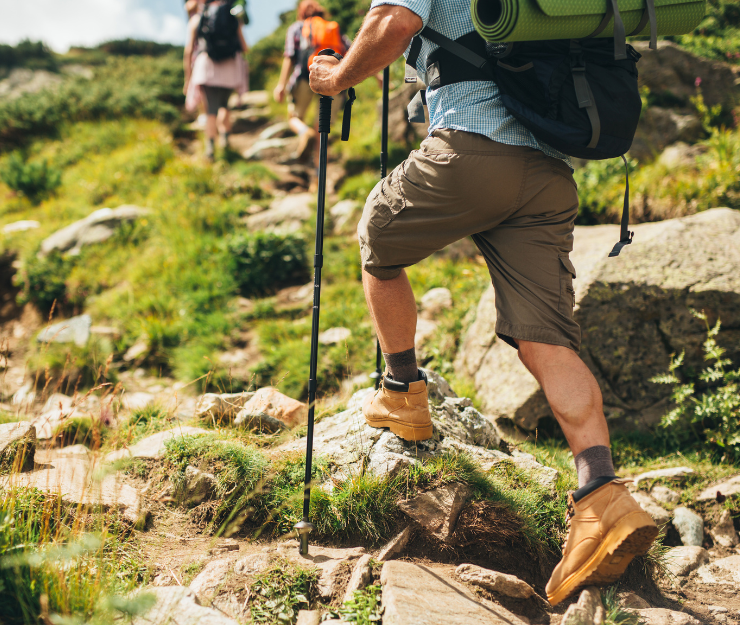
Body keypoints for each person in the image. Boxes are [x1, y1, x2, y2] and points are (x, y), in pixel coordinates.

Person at [308, 0, 659, 607]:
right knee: (546, 341)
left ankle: (402, 394)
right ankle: (602, 495)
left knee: (377, 238)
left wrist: (337, 78)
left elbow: (392, 24)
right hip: (547, 173)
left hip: (472, 150)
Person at [273, 0, 352, 164]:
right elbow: (352, 52)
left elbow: (289, 56)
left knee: (293, 116)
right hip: (332, 78)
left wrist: (281, 85)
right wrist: (377, 77)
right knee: (322, 128)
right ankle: (319, 172)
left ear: (301, 12)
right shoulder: (333, 28)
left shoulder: (297, 27)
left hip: (304, 76)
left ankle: (303, 132)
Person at [185, 0, 249, 160]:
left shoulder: (197, 19)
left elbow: (188, 51)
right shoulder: (233, 16)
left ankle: (210, 149)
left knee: (210, 111)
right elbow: (244, 47)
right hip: (230, 68)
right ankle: (226, 142)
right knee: (225, 106)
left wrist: (188, 79)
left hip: (207, 68)